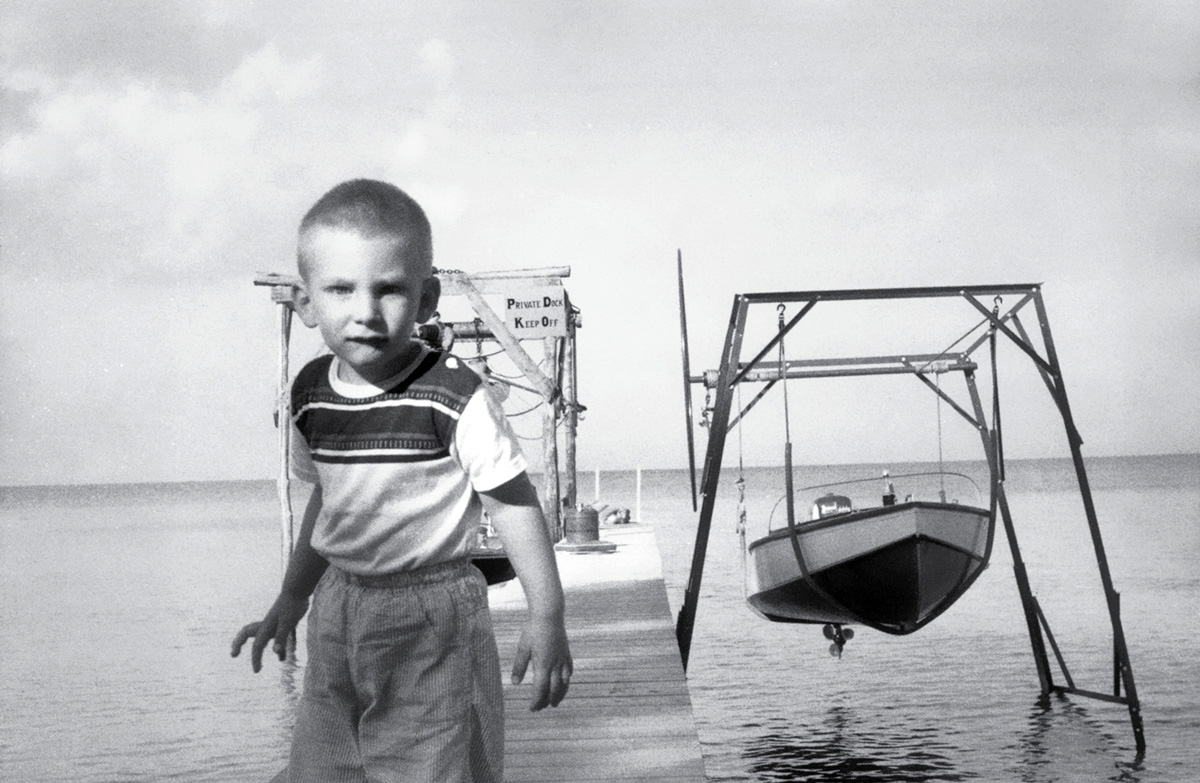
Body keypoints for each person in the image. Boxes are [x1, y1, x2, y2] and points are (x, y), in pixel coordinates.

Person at [231, 179, 572, 782]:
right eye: (340, 289)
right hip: (340, 607)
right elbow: (326, 508)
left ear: (426, 298)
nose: (364, 311)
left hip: (431, 616)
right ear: (306, 302)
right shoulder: (311, 394)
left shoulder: (453, 394)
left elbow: (514, 504)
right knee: (325, 763)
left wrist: (546, 616)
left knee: (428, 765)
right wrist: (293, 596)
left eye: (388, 289)